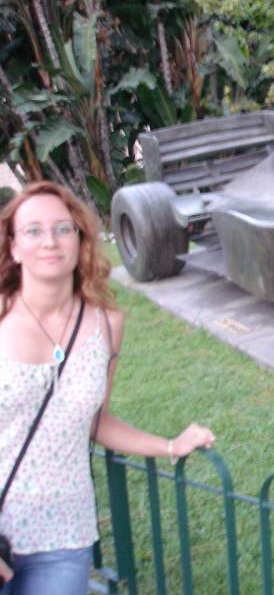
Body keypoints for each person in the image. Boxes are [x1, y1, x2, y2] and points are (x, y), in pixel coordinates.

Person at [0, 181, 215, 594]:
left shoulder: (105, 324)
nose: (50, 241)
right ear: (14, 247)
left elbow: (95, 420)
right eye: (33, 230)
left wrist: (171, 446)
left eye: (63, 229)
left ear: (80, 240)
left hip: (63, 535)